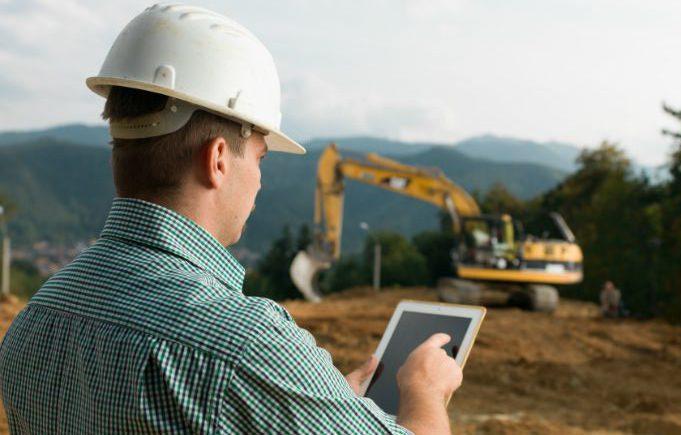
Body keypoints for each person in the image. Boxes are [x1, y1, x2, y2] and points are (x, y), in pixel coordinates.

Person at [0, 4, 461, 434]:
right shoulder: (246, 346)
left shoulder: (36, 318)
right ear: (218, 159)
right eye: (260, 158)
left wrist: (312, 403)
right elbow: (234, 371)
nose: (259, 181)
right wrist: (425, 390)